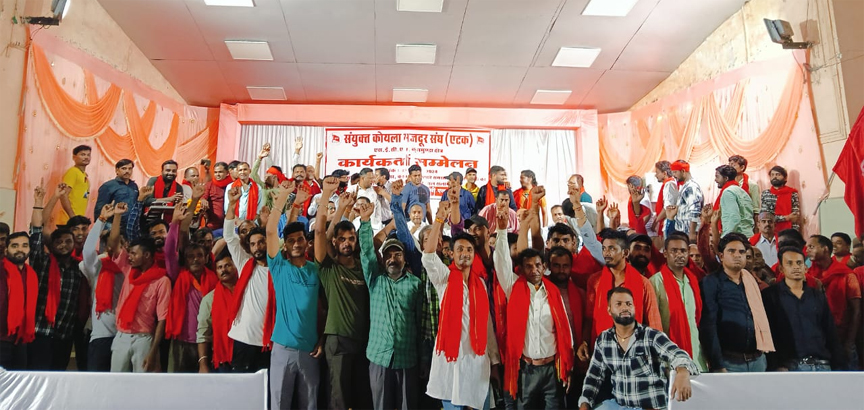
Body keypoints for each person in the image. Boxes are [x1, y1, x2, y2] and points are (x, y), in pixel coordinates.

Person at [422, 199, 499, 410]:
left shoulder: (480, 284)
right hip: (450, 363)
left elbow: (487, 325)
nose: (465, 253)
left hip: (477, 363)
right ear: (452, 254)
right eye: (460, 249)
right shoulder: (444, 278)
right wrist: (439, 219)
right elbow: (428, 257)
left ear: (474, 255)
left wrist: (494, 362)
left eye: (469, 250)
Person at [494, 219, 574, 410]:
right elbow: (502, 263)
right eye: (528, 266)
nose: (534, 270)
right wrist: (502, 231)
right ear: (521, 269)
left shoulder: (553, 293)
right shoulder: (513, 288)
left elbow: (565, 331)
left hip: (552, 369)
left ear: (544, 267)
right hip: (526, 369)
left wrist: (568, 367)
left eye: (538, 265)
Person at [579, 287, 698, 410]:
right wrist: (584, 403)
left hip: (651, 407)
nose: (625, 308)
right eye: (618, 304)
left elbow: (678, 355)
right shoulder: (604, 340)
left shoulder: (651, 336)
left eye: (629, 304)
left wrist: (683, 372)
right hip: (619, 406)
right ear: (609, 310)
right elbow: (593, 377)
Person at [357, 201, 423, 410]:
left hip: (407, 358)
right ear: (383, 258)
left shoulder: (416, 284)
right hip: (379, 357)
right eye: (389, 255)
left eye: (398, 255)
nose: (393, 259)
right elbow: (367, 253)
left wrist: (422, 357)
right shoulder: (375, 280)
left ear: (404, 259)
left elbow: (420, 323)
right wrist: (365, 221)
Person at [314, 176, 373, 409]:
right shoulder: (328, 268)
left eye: (351, 239)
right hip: (337, 340)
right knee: (338, 399)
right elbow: (320, 233)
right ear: (335, 242)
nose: (346, 243)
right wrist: (329, 198)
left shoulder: (363, 267)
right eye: (342, 239)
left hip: (363, 341)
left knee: (361, 399)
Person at [267, 181, 323, 409]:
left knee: (310, 404)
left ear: (307, 243)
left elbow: (323, 309)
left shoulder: (316, 269)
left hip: (311, 350)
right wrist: (283, 197)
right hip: (283, 348)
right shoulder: (279, 267)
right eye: (291, 241)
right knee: (279, 404)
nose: (296, 244)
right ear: (285, 246)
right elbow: (271, 230)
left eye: (300, 239)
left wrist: (322, 339)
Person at [107, 199, 171, 373]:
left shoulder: (161, 281)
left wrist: (153, 351)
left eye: (134, 254)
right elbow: (113, 245)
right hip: (121, 335)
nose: (130, 257)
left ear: (147, 255)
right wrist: (117, 216)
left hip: (144, 339)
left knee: (143, 385)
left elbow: (162, 319)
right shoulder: (129, 270)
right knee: (116, 383)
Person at [28, 183, 86, 370]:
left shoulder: (79, 268)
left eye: (68, 241)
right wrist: (48, 198)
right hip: (40, 333)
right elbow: (37, 230)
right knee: (37, 378)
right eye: (59, 242)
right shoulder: (42, 262)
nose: (63, 245)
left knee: (57, 379)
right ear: (52, 245)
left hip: (64, 336)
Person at [700, 233, 774, 372]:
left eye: (741, 252)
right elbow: (709, 325)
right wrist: (717, 364)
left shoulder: (751, 281)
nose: (737, 255)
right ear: (721, 256)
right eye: (731, 251)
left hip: (758, 360)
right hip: (729, 362)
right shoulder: (711, 282)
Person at [580, 230, 661, 358]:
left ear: (625, 253)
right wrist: (584, 342)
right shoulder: (595, 281)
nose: (606, 253)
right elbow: (589, 318)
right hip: (602, 351)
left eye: (612, 248)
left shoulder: (643, 283)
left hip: (634, 353)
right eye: (604, 248)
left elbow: (654, 321)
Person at [762, 247, 846, 371]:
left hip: (821, 364)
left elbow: (830, 331)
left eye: (799, 263)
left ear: (805, 267)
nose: (796, 267)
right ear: (781, 269)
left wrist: (838, 365)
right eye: (790, 263)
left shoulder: (817, 295)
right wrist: (775, 365)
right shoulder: (771, 296)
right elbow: (768, 332)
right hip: (789, 366)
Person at [165, 199, 218, 373]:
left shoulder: (214, 280)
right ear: (186, 260)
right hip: (181, 339)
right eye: (191, 256)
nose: (195, 259)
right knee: (177, 384)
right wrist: (174, 223)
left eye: (199, 255)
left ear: (206, 257)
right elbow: (169, 252)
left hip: (206, 341)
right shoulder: (178, 275)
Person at [223, 186, 272, 372]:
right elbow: (229, 236)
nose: (257, 247)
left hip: (268, 341)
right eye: (253, 244)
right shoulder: (244, 263)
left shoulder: (280, 269)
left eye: (261, 242)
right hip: (243, 339)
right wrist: (232, 204)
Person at [649, 233, 708, 371]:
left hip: (697, 356)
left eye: (683, 251)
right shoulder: (655, 282)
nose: (679, 255)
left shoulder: (693, 281)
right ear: (665, 253)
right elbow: (653, 325)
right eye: (674, 251)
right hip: (669, 359)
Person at [78, 203, 126, 372]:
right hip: (100, 336)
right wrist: (101, 220)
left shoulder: (128, 267)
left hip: (124, 336)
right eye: (106, 243)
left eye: (119, 244)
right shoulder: (96, 266)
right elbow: (88, 250)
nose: (112, 247)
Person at [806, 235, 861, 367]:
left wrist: (849, 342)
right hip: (818, 339)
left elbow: (856, 311)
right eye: (807, 247)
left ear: (825, 249)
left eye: (811, 247)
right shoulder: (808, 275)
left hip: (842, 337)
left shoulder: (846, 275)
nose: (807, 250)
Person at [196, 249, 239, 373]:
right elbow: (203, 334)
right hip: (223, 362)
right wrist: (203, 364)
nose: (223, 270)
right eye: (219, 267)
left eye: (227, 265)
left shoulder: (247, 291)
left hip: (248, 356)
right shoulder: (210, 299)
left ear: (236, 266)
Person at [1, 227, 36, 370]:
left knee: (19, 381)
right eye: (14, 246)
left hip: (20, 340)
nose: (20, 249)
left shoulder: (31, 275)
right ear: (6, 250)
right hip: (1, 338)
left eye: (24, 245)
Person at [713, 165, 754, 237]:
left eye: (717, 177)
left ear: (726, 178)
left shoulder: (728, 192)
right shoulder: (741, 191)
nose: (715, 180)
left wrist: (725, 237)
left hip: (736, 237)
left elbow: (734, 218)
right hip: (747, 234)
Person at [57, 145, 91, 225]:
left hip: (78, 220)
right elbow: (63, 195)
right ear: (74, 157)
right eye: (83, 154)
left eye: (88, 155)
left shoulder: (83, 175)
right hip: (68, 220)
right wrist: (72, 217)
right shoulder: (72, 172)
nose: (86, 157)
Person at [670, 160, 703, 242]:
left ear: (683, 171)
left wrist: (692, 233)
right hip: (683, 232)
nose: (673, 175)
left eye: (675, 172)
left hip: (688, 233)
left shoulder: (691, 187)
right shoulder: (686, 186)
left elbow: (695, 211)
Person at [760, 166, 800, 232]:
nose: (774, 177)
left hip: (790, 231)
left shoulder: (792, 193)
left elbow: (795, 217)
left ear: (785, 178)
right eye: (772, 175)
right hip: (770, 231)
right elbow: (765, 216)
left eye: (778, 174)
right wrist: (786, 217)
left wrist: (794, 233)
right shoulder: (766, 194)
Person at [203, 161, 232, 233]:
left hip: (230, 223)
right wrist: (203, 200)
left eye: (220, 172)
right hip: (213, 225)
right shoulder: (210, 185)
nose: (217, 174)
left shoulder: (232, 185)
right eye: (215, 172)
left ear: (227, 173)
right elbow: (203, 196)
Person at [653, 160, 679, 236]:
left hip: (667, 222)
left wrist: (655, 222)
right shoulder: (668, 184)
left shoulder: (669, 185)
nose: (656, 175)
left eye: (657, 172)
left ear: (664, 173)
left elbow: (667, 208)